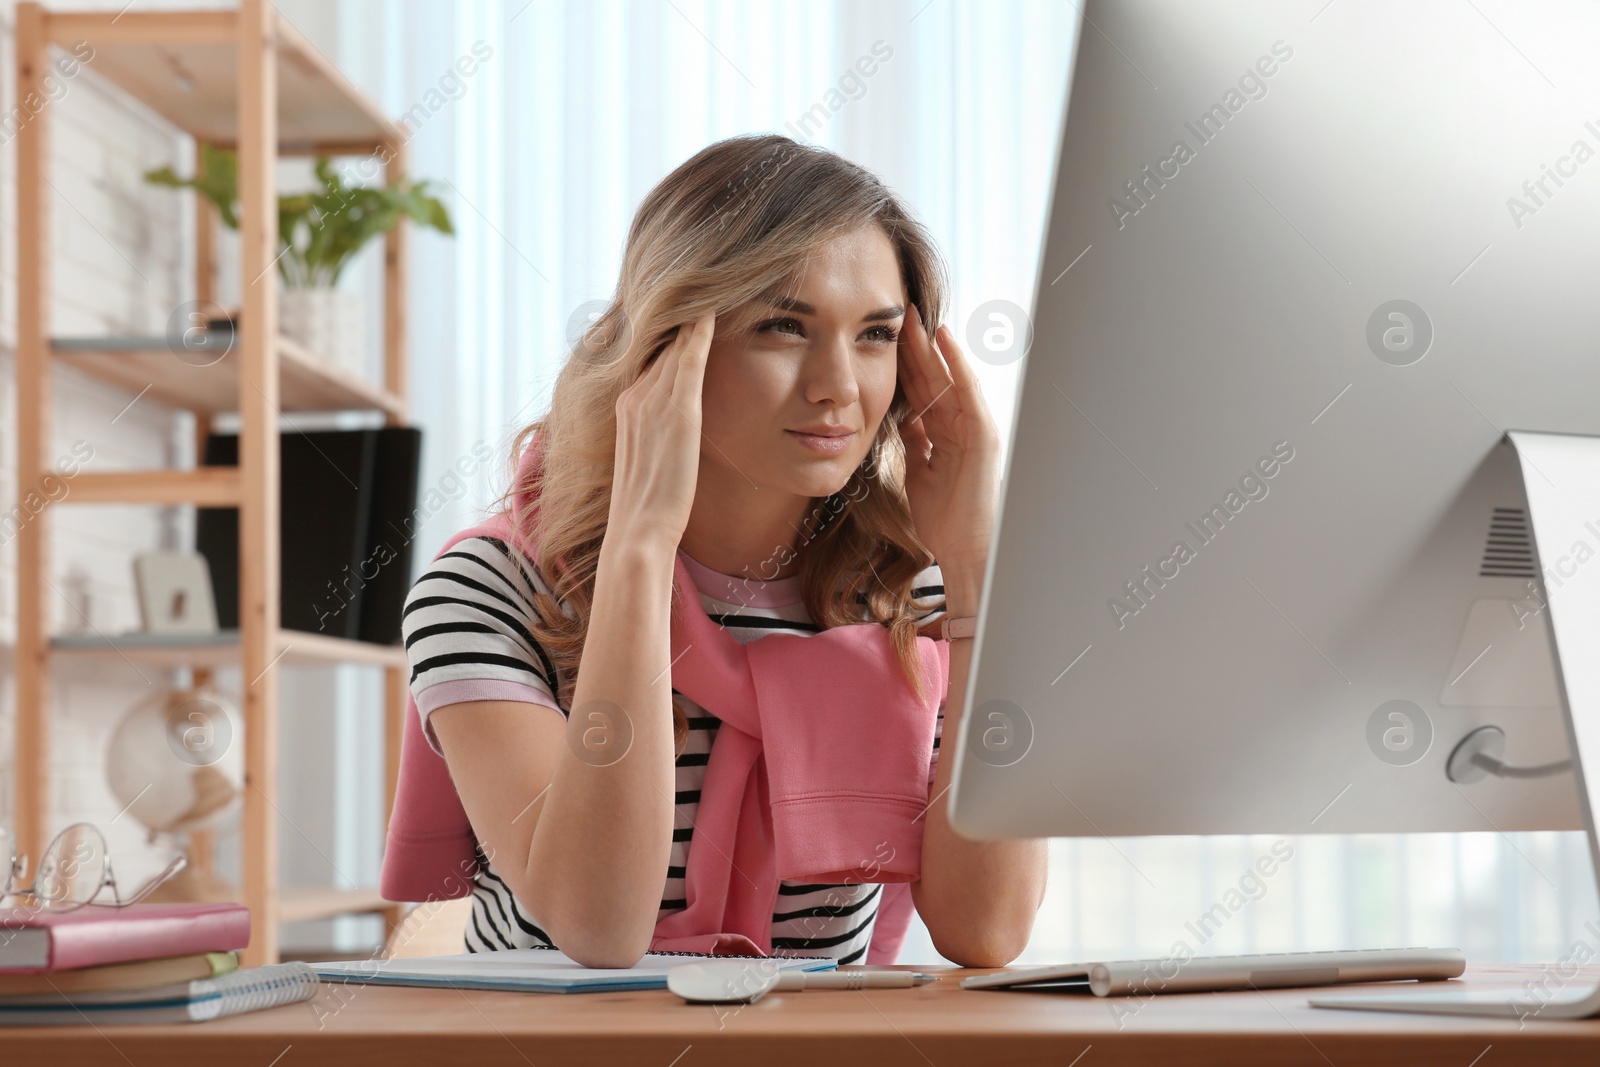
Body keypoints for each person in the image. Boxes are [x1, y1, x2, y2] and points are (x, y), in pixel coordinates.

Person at [399, 134, 1047, 968]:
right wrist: (638, 548)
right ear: (671, 343)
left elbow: (986, 930)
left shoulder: (914, 595)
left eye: (876, 335)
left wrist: (978, 566)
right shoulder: (491, 589)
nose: (838, 387)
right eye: (783, 326)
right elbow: (597, 926)